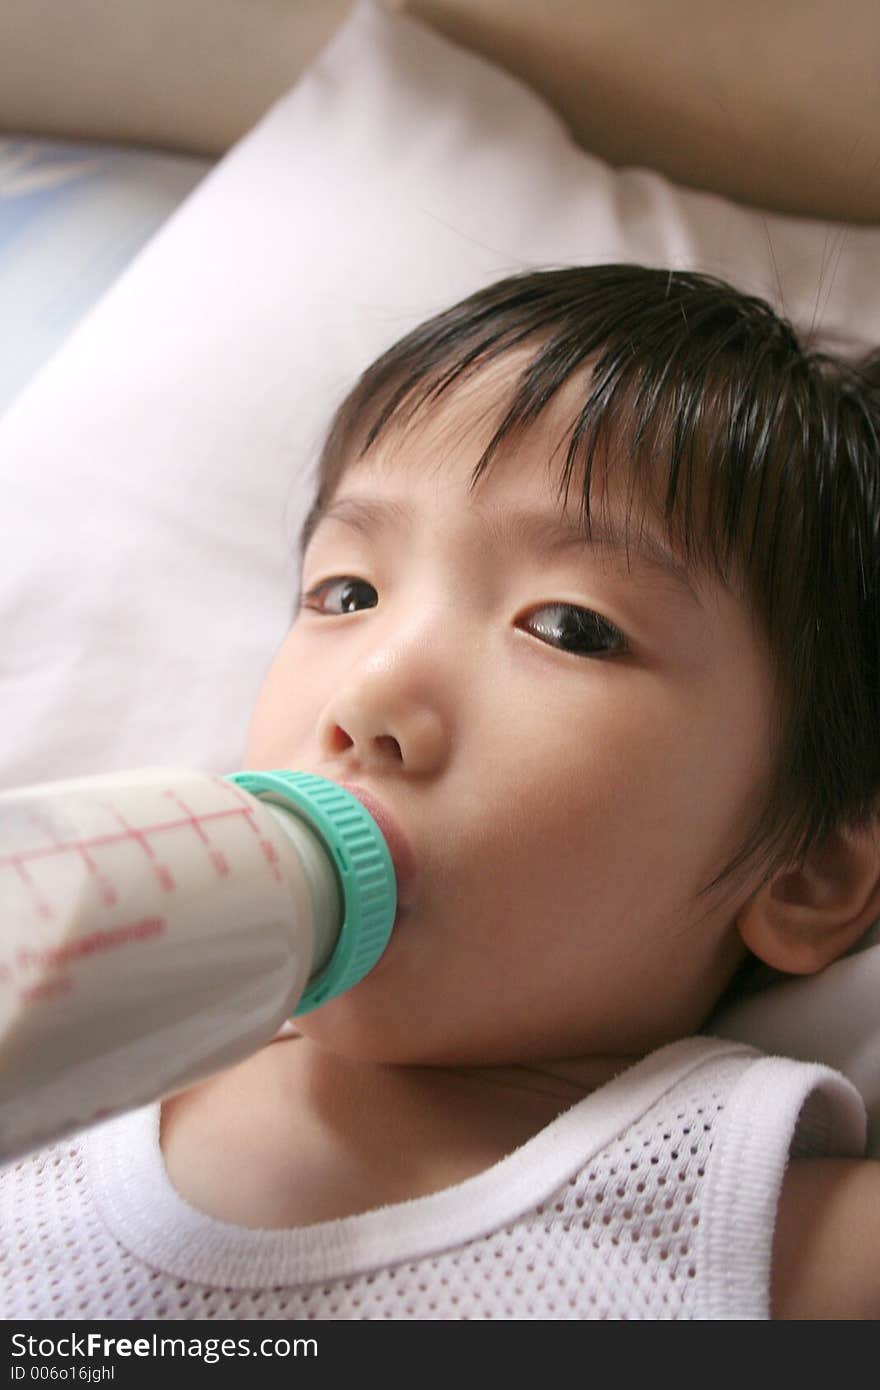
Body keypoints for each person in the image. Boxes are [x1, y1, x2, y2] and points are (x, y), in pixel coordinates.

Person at [2, 265, 879, 1320]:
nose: (369, 693)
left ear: (808, 875)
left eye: (569, 627)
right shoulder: (77, 1057)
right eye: (346, 593)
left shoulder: (750, 1226)